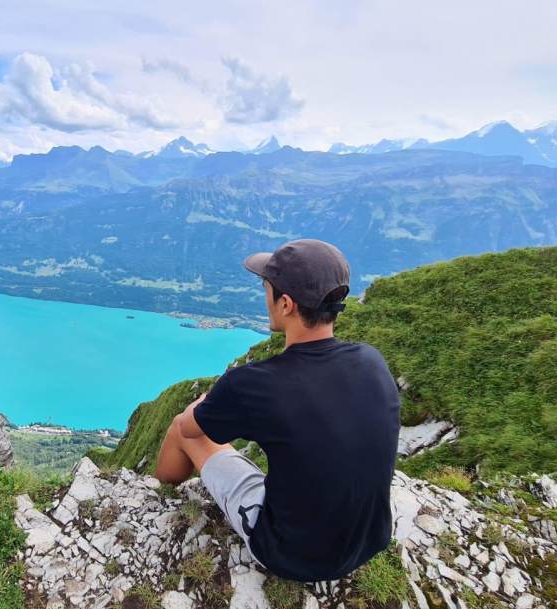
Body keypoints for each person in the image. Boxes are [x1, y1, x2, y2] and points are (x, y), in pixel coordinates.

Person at [155, 239, 401, 582]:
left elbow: (192, 428)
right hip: (370, 541)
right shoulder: (371, 361)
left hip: (292, 554)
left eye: (266, 289)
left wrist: (200, 405)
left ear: (285, 304)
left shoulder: (256, 383)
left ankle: (155, 496)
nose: (264, 297)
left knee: (180, 426)